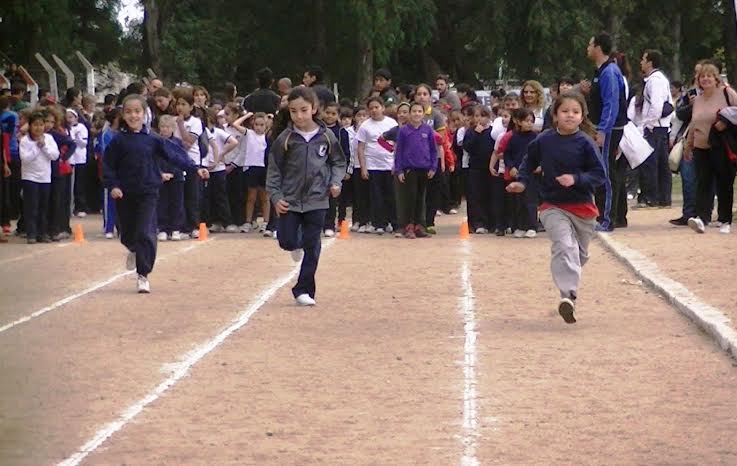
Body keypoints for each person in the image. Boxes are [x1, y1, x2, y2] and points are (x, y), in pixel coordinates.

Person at [506, 92, 606, 324]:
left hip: (583, 208)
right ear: (555, 115)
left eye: (575, 112)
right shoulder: (544, 140)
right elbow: (528, 161)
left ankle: (568, 290)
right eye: (565, 111)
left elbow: (599, 175)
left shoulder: (586, 143)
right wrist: (522, 181)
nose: (570, 116)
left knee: (578, 255)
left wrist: (576, 179)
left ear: (582, 117)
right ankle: (568, 295)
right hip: (553, 205)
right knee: (563, 245)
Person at [104, 94, 210, 293]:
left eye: (137, 111)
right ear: (123, 115)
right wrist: (113, 186)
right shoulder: (118, 141)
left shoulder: (153, 139)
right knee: (127, 233)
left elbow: (175, 154)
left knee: (145, 231)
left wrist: (195, 168)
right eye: (128, 112)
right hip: (125, 193)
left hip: (148, 191)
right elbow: (108, 166)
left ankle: (143, 274)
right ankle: (133, 249)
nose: (133, 116)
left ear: (145, 114)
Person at [266, 86, 346, 306]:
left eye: (303, 110)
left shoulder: (326, 137)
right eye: (293, 111)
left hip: (317, 200)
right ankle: (295, 245)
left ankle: (304, 290)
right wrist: (275, 196)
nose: (299, 116)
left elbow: (338, 162)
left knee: (313, 246)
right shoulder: (285, 139)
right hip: (290, 201)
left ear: (314, 109)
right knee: (287, 240)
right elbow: (274, 170)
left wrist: (335, 181)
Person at [684, 63, 737, 234]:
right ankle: (702, 217)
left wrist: (726, 122)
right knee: (703, 183)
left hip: (721, 145)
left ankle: (725, 219)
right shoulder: (697, 99)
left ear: (716, 79)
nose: (705, 79)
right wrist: (688, 144)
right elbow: (694, 123)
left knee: (724, 181)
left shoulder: (727, 94)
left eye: (709, 76)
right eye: (702, 76)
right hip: (701, 146)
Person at [586, 32, 627, 231]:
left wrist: (603, 130)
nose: (587, 47)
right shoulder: (601, 71)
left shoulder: (610, 72)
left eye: (590, 44)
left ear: (598, 47)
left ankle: (607, 219)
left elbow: (611, 105)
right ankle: (606, 215)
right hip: (602, 128)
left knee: (607, 173)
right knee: (603, 171)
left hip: (609, 130)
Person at [393, 101, 438, 238]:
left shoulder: (428, 130)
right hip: (409, 170)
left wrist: (433, 167)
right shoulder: (404, 130)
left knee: (420, 198)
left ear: (423, 114)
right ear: (410, 113)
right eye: (414, 111)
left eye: (419, 111)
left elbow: (433, 150)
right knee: (410, 198)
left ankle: (419, 226)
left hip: (424, 169)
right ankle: (409, 226)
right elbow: (399, 152)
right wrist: (399, 170)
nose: (417, 114)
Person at [491, 108, 538, 237]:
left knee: (530, 200)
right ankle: (519, 226)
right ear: (518, 121)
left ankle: (532, 226)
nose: (529, 123)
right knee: (517, 201)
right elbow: (507, 154)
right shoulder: (513, 137)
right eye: (526, 121)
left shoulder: (535, 137)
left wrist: (539, 166)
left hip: (531, 173)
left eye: (531, 121)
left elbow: (540, 154)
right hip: (517, 173)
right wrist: (510, 167)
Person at [357, 96, 399, 235]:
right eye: (371, 108)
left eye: (377, 107)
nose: (374, 110)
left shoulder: (392, 123)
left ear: (383, 108)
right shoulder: (365, 126)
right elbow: (361, 147)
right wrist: (363, 167)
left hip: (389, 165)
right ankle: (378, 223)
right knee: (376, 196)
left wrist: (396, 163)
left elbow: (398, 145)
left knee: (391, 195)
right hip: (373, 166)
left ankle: (393, 222)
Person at [637, 49, 673, 208]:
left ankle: (653, 197)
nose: (641, 62)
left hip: (655, 127)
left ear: (650, 62)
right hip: (660, 127)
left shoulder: (655, 80)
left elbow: (657, 105)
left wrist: (648, 124)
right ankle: (663, 197)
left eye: (643, 59)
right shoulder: (656, 79)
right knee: (661, 163)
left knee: (652, 163)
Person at [20, 110, 60, 244]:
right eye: (35, 125)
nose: (39, 128)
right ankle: (31, 233)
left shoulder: (49, 138)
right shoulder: (25, 141)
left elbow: (55, 155)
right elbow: (25, 159)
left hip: (45, 178)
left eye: (41, 125)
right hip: (30, 177)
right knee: (32, 207)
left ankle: (42, 233)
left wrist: (44, 147)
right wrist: (37, 147)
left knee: (43, 206)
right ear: (30, 126)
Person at [174, 88, 206, 238]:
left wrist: (180, 125)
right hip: (177, 163)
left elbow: (188, 143)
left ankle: (194, 225)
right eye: (178, 104)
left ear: (191, 106)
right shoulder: (173, 121)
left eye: (183, 104)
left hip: (192, 163)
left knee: (192, 195)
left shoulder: (196, 122)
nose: (180, 107)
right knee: (178, 195)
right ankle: (181, 225)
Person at [202, 108, 237, 233]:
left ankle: (227, 222)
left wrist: (220, 155)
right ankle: (213, 221)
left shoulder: (217, 132)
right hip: (205, 169)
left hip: (218, 169)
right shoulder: (201, 132)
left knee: (220, 196)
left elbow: (233, 142)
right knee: (207, 197)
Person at [463, 106, 496, 234]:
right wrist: (476, 133)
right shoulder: (471, 132)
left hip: (489, 168)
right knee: (475, 197)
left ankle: (491, 223)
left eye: (483, 116)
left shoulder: (493, 132)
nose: (479, 118)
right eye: (477, 116)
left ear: (488, 117)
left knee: (490, 195)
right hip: (475, 168)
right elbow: (467, 147)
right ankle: (477, 223)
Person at [65, 108, 89, 217]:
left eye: (71, 117)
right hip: (70, 159)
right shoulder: (65, 129)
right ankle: (69, 207)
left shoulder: (81, 127)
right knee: (69, 185)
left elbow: (84, 143)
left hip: (80, 159)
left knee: (79, 184)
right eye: (67, 117)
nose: (69, 119)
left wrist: (75, 139)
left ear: (76, 118)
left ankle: (80, 207)